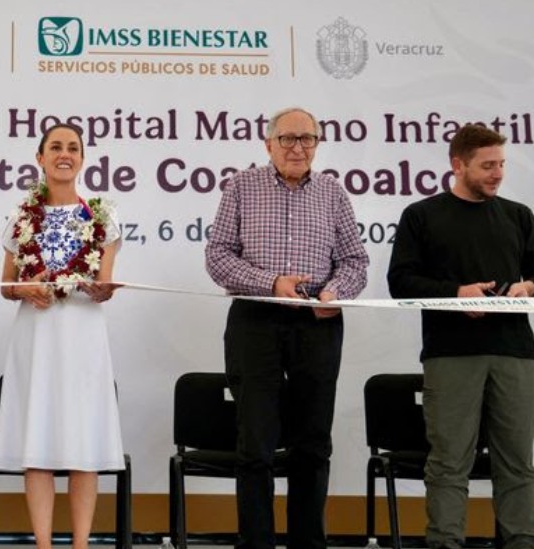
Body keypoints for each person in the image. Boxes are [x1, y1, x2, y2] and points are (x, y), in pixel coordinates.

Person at [204, 107, 368, 549]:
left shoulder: (333, 192)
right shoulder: (241, 186)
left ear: (317, 144)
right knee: (256, 445)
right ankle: (256, 543)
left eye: (307, 139)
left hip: (317, 323)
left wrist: (334, 292)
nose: (298, 147)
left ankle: (308, 543)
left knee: (312, 444)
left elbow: (355, 261)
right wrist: (272, 283)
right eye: (288, 138)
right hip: (255, 321)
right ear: (268, 144)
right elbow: (218, 257)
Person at [387, 124, 534, 549]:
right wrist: (456, 294)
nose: (497, 173)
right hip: (451, 354)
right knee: (450, 462)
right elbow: (400, 281)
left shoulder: (518, 215)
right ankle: (445, 542)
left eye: (501, 164)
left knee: (518, 463)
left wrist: (527, 286)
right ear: (458, 164)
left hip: (516, 353)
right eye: (487, 166)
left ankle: (522, 541)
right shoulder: (422, 215)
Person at [0, 123, 124, 549]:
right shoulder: (21, 217)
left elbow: (104, 282)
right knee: (39, 437)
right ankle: (44, 544)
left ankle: (81, 544)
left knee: (84, 442)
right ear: (41, 157)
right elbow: (6, 285)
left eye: (72, 148)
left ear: (82, 159)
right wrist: (25, 289)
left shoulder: (102, 217)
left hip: (84, 335)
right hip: (36, 335)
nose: (64, 154)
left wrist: (102, 289)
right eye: (55, 147)